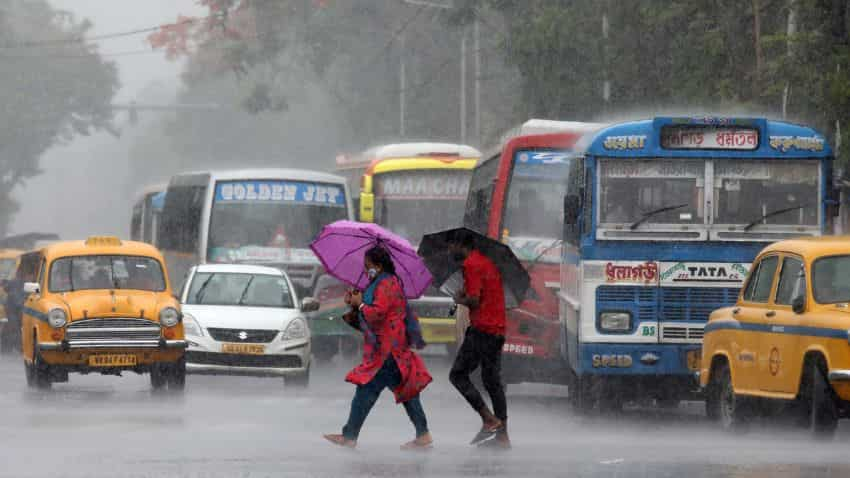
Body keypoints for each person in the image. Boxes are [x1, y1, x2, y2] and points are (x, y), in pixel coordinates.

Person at [323, 246, 434, 450]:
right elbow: (370, 314)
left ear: (379, 265)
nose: (366, 271)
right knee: (407, 392)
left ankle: (349, 436)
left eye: (369, 266)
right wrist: (355, 303)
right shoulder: (383, 282)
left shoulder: (385, 284)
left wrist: (361, 305)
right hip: (392, 348)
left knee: (366, 390)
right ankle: (423, 434)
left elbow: (377, 313)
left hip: (387, 351)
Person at [448, 231, 510, 449]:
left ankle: (489, 419)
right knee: (492, 381)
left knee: (457, 375)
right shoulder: (485, 263)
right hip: (497, 329)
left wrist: (459, 299)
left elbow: (474, 300)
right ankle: (503, 435)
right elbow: (483, 294)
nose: (449, 250)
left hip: (483, 329)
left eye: (451, 246)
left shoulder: (472, 265)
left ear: (460, 245)